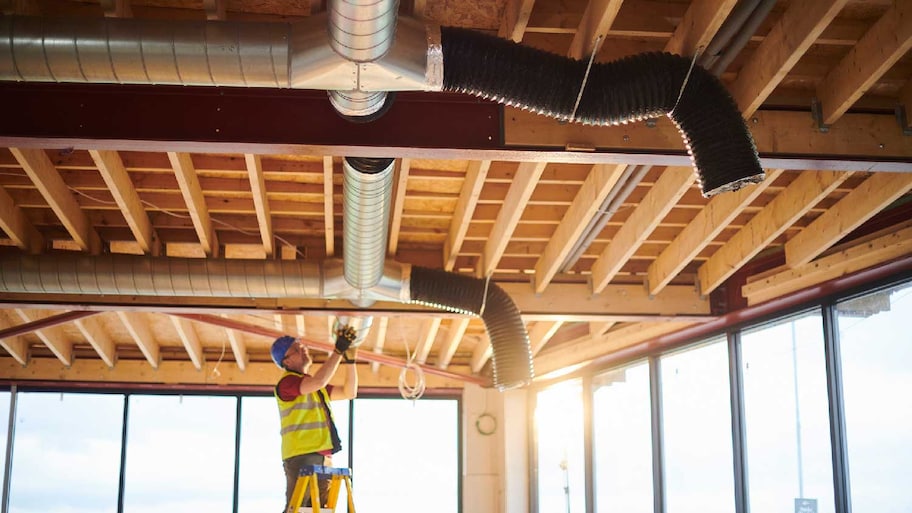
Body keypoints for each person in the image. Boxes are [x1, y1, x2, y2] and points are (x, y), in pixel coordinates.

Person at [271, 328, 359, 511]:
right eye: (297, 349)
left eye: (302, 347)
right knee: (298, 508)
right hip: (301, 455)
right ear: (286, 361)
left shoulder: (314, 387)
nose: (304, 350)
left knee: (317, 509)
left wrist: (350, 361)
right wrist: (338, 352)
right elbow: (319, 381)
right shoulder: (287, 384)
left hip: (322, 456)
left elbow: (349, 392)